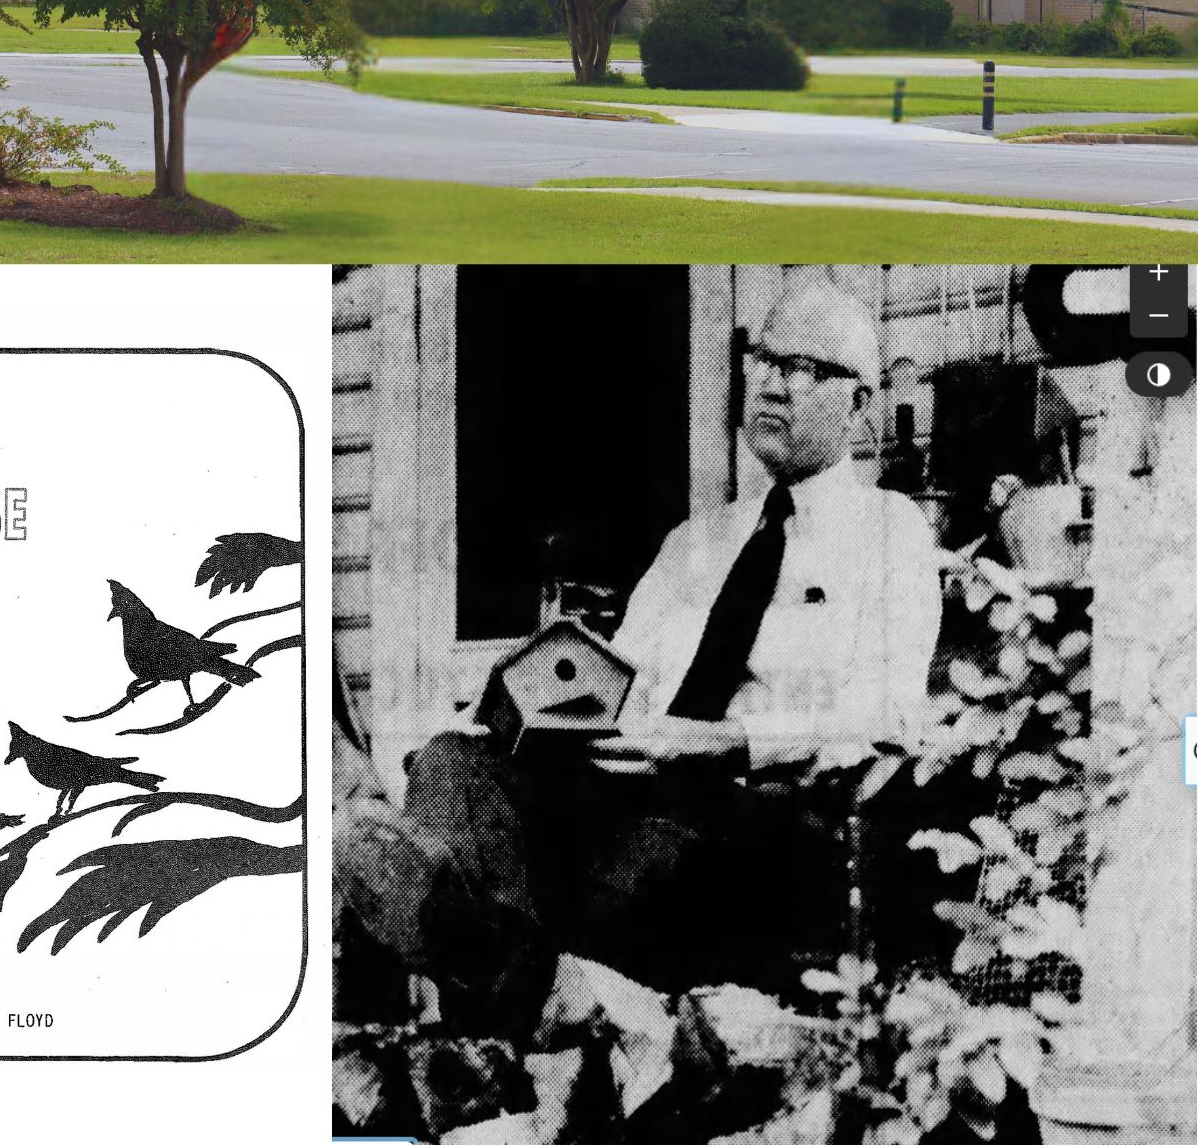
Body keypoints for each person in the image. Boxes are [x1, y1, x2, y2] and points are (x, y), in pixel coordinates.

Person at [343, 276, 944, 1017]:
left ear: (859, 403)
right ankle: (505, 969)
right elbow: (616, 692)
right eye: (763, 359)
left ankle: (503, 988)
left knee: (624, 854)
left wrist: (714, 743)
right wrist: (523, 709)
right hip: (635, 797)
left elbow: (881, 722)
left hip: (760, 818)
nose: (772, 386)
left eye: (806, 370)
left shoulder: (891, 535)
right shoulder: (696, 543)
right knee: (451, 760)